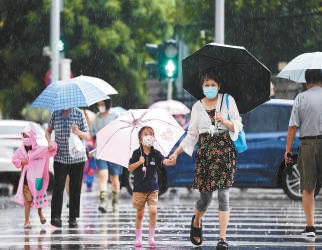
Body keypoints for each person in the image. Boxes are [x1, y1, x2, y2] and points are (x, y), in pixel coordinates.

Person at [169, 68, 243, 249]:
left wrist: (225, 121)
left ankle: (222, 238)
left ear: (219, 86)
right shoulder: (197, 106)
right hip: (205, 153)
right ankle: (197, 220)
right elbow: (192, 134)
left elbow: (238, 124)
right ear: (202, 86)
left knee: (224, 194)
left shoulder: (227, 100)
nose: (210, 87)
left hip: (224, 150)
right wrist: (176, 153)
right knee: (206, 198)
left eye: (213, 85)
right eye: (206, 85)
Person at [284, 69, 322, 238]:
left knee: (308, 187)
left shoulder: (301, 98)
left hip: (307, 144)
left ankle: (310, 227)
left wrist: (288, 150)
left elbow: (293, 127)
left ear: (307, 82)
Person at [128, 126, 175, 247]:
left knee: (153, 211)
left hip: (153, 188)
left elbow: (164, 161)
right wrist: (139, 162)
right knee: (140, 214)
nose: (148, 136)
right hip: (139, 188)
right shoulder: (136, 153)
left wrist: (171, 161)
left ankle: (151, 236)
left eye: (151, 134)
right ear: (140, 139)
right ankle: (138, 238)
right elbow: (130, 167)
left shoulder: (156, 153)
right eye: (145, 134)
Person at [46, 107, 90, 228]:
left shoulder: (79, 114)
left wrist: (78, 132)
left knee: (75, 189)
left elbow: (87, 135)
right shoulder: (55, 113)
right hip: (60, 157)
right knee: (58, 188)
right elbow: (48, 131)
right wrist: (49, 141)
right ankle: (55, 217)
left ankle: (73, 218)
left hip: (77, 158)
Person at [12, 123, 57, 229]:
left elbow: (52, 150)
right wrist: (21, 162)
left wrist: (52, 145)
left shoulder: (40, 150)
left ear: (32, 137)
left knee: (39, 197)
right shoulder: (21, 150)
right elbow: (15, 160)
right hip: (27, 180)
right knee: (28, 200)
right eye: (24, 136)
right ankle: (27, 221)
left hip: (38, 179)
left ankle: (40, 214)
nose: (26, 138)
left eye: (27, 136)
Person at [91, 98, 123, 213]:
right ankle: (103, 202)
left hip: (114, 151)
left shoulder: (115, 115)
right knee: (103, 176)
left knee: (114, 178)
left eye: (102, 104)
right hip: (101, 150)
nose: (101, 106)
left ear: (108, 104)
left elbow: (120, 131)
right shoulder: (96, 118)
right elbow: (93, 134)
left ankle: (115, 201)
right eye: (99, 104)